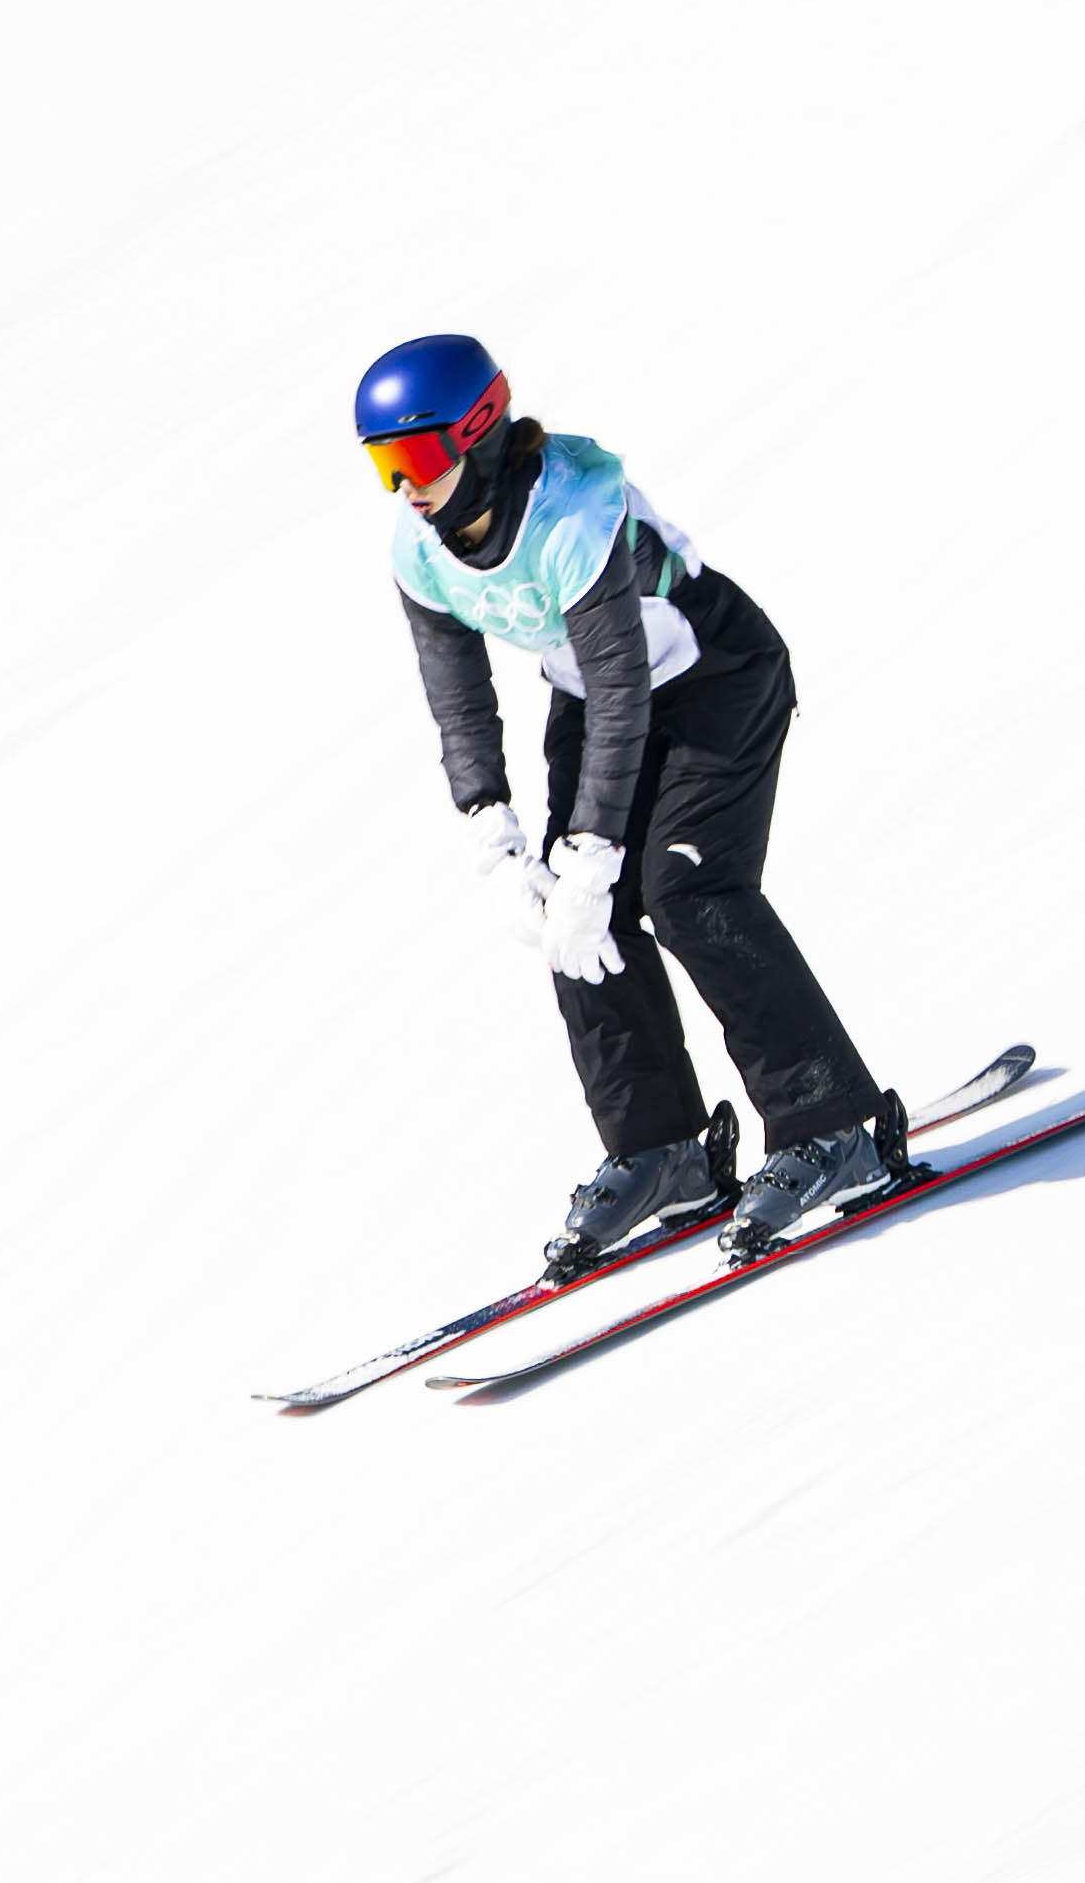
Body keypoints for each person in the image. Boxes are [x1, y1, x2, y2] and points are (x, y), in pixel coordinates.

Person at [354, 336, 894, 1275]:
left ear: (479, 435)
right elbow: (458, 696)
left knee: (688, 893)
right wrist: (494, 832)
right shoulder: (420, 551)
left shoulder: (572, 516)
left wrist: (596, 848)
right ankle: (663, 1150)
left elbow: (621, 685)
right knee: (576, 922)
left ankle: (835, 1123)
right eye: (382, 465)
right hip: (593, 700)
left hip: (713, 679)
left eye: (419, 458)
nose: (406, 488)